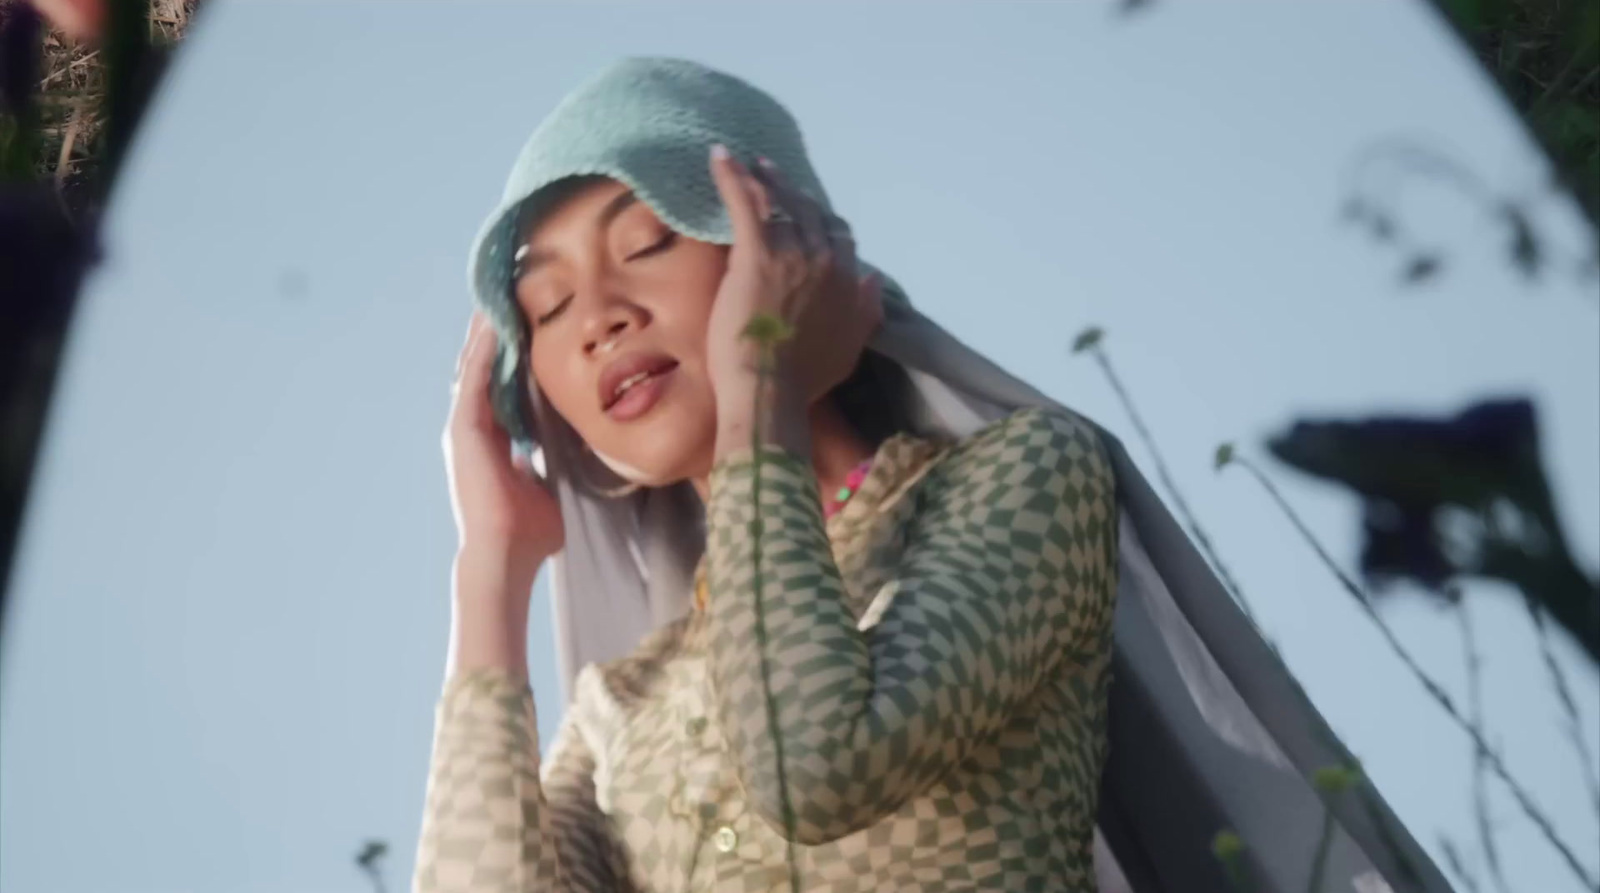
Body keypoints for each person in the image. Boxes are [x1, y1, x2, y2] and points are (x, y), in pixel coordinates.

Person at [414, 58, 1452, 893]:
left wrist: (761, 385)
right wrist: (492, 575)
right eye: (545, 309)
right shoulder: (620, 705)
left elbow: (814, 764)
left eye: (646, 242)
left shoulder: (1020, 479)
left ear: (790, 253)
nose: (597, 316)